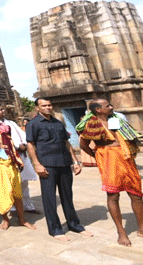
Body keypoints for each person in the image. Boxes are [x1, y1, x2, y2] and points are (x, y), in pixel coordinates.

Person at [78, 99, 143, 246]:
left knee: (136, 194)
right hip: (108, 159)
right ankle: (121, 232)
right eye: (108, 106)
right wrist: (98, 155)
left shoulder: (117, 120)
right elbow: (83, 144)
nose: (112, 107)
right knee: (113, 195)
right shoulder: (91, 124)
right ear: (98, 110)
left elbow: (128, 136)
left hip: (126, 157)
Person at [26, 97, 93, 241]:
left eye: (49, 105)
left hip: (63, 163)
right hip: (47, 164)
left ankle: (74, 224)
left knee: (67, 196)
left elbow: (66, 142)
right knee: (49, 198)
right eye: (44, 105)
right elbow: (30, 145)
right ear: (38, 108)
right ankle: (55, 229)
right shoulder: (33, 124)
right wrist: (37, 164)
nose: (48, 107)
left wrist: (75, 161)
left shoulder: (58, 122)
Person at [0, 105, 39, 214]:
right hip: (8, 156)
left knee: (24, 182)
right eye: (0, 109)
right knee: (11, 183)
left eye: (2, 109)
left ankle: (28, 206)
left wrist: (24, 144)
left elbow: (21, 135)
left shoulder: (11, 123)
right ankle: (14, 208)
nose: (3, 110)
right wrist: (16, 146)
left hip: (21, 154)